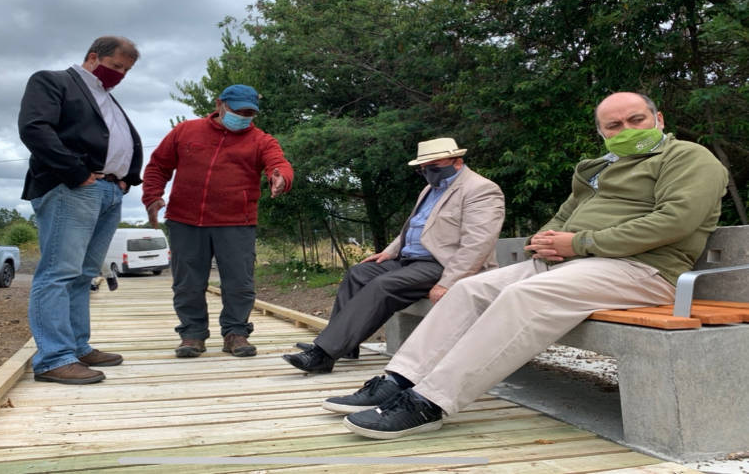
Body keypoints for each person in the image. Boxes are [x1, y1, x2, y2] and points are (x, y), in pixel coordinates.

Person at [324, 92, 729, 439]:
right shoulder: (599, 168)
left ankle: (429, 402)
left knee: (523, 296)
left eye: (635, 120)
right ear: (602, 132)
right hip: (573, 264)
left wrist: (580, 243)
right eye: (613, 125)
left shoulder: (689, 158)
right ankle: (399, 379)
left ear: (659, 119)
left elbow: (676, 220)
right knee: (469, 289)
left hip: (642, 271)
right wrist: (545, 240)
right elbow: (566, 214)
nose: (625, 129)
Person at [282, 137, 505, 373]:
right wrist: (389, 252)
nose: (427, 172)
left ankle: (323, 354)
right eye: (423, 168)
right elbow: (415, 227)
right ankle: (345, 346)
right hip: (410, 261)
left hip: (442, 264)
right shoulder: (431, 188)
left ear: (457, 162)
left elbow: (478, 243)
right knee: (358, 273)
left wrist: (449, 282)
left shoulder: (481, 190)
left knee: (383, 285)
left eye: (433, 166)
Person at [18, 36, 143, 385]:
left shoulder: (106, 96)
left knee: (84, 273)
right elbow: (35, 128)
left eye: (126, 70)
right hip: (72, 187)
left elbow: (117, 139)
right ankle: (53, 358)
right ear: (93, 57)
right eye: (116, 66)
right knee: (59, 271)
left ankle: (76, 347)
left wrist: (126, 180)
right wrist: (76, 173)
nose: (120, 74)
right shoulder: (53, 81)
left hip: (108, 190)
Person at [142, 84, 293, 358]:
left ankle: (236, 333)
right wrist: (152, 196)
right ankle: (192, 335)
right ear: (220, 104)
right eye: (238, 111)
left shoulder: (261, 140)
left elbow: (278, 163)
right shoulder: (185, 131)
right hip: (185, 219)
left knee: (239, 281)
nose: (244, 117)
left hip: (236, 222)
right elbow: (158, 165)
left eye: (250, 113)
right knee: (187, 282)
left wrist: (280, 177)